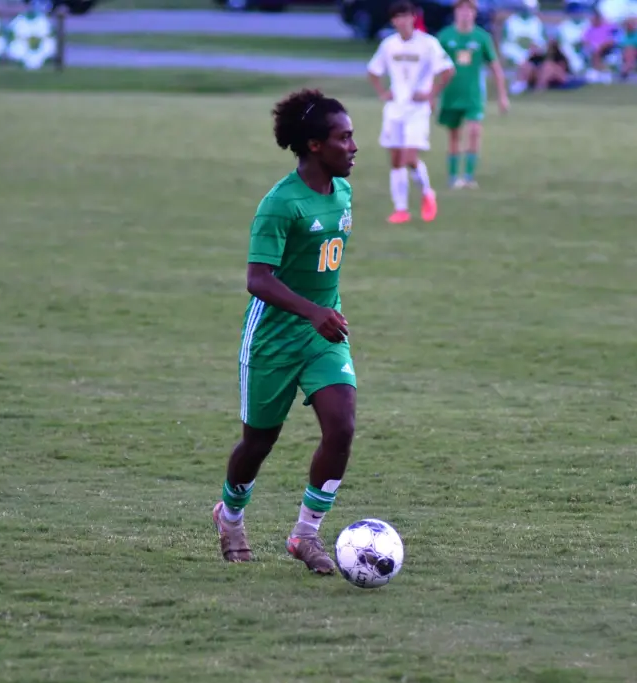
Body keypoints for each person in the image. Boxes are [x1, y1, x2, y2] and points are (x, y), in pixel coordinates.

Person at [212, 89, 359, 575]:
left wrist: (322, 314)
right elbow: (258, 279)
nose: (354, 147)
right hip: (272, 340)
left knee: (342, 427)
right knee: (258, 444)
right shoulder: (279, 204)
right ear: (315, 145)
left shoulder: (342, 191)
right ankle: (230, 516)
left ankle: (305, 535)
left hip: (323, 336)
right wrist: (313, 311)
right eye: (344, 138)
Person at [367, 1, 454, 224]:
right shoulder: (389, 44)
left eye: (406, 16)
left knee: (410, 157)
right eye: (398, 17)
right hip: (395, 109)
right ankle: (401, 209)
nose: (402, 21)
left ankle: (427, 193)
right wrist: (383, 92)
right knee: (396, 160)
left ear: (413, 18)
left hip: (417, 110)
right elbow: (373, 70)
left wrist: (431, 94)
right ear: (393, 21)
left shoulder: (428, 43)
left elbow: (448, 70)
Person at [437, 0, 510, 189]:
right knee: (454, 135)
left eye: (469, 9)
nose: (465, 13)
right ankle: (453, 177)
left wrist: (502, 96)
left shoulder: (481, 37)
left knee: (474, 131)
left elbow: (495, 68)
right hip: (451, 94)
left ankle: (469, 177)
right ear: (455, 12)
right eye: (461, 9)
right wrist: (431, 94)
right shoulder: (445, 36)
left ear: (474, 13)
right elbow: (432, 67)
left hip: (474, 95)